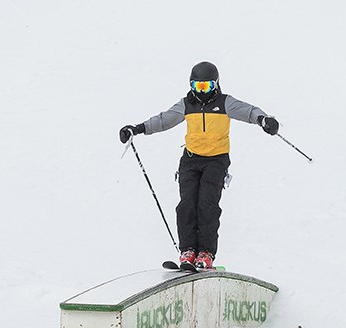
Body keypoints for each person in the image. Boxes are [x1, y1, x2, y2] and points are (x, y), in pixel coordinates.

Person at [119, 61, 279, 270]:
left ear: (216, 84)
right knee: (186, 205)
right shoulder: (186, 104)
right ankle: (188, 251)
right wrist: (137, 128)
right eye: (197, 86)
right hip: (190, 159)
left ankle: (206, 252)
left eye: (206, 87)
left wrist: (263, 119)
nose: (201, 92)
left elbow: (248, 111)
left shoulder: (225, 103)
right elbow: (163, 120)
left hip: (216, 160)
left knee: (207, 205)